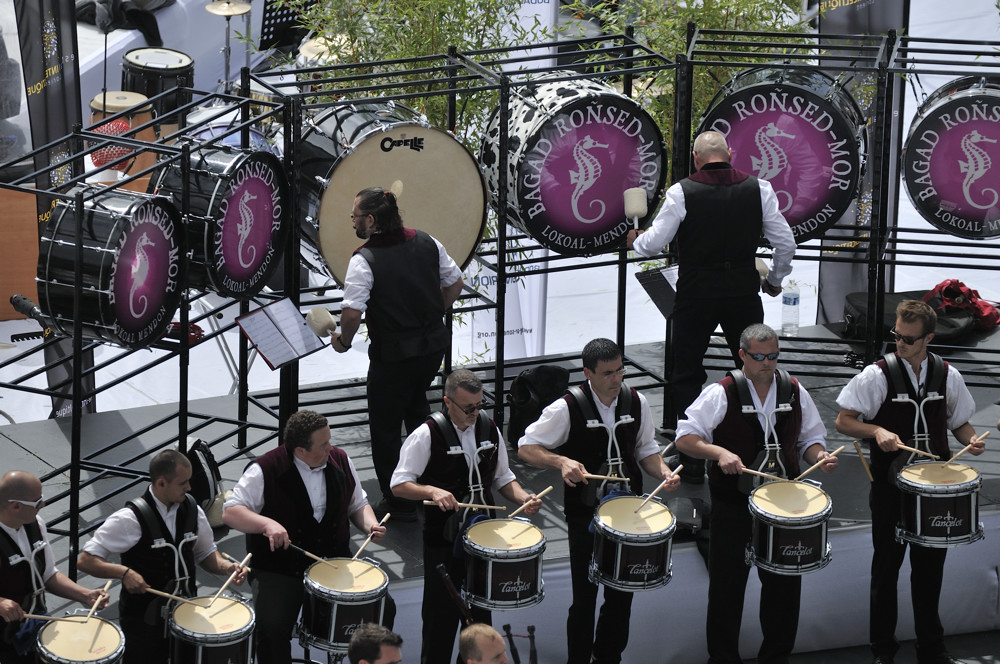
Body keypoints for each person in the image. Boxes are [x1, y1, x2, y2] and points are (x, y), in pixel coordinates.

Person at [626, 130, 796, 483]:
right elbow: (785, 242)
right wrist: (776, 280)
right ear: (730, 153)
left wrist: (636, 242)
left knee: (685, 372)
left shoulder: (681, 191)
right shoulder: (759, 188)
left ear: (695, 157)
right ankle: (757, 444)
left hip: (696, 292)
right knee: (754, 368)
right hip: (741, 292)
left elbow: (654, 244)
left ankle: (691, 461)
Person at [675, 323, 837, 664]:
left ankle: (776, 658)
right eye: (760, 357)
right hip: (733, 504)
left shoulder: (792, 389)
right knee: (726, 591)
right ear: (742, 355)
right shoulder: (722, 392)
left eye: (774, 356)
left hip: (784, 509)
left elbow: (810, 438)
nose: (768, 363)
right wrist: (719, 453)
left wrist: (819, 456)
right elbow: (686, 437)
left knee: (784, 590)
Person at [835, 300, 986, 664]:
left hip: (934, 489)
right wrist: (876, 430)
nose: (900, 343)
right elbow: (843, 421)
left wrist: (971, 441)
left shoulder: (947, 374)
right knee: (886, 570)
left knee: (930, 570)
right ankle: (883, 652)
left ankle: (931, 648)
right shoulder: (876, 375)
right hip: (891, 486)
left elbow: (959, 422)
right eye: (896, 336)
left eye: (908, 339)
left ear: (928, 338)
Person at [517, 338, 680, 664]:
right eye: (607, 373)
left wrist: (663, 471)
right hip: (585, 512)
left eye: (619, 370)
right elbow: (526, 446)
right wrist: (561, 462)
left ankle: (608, 659)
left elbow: (646, 449)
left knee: (622, 596)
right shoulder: (567, 407)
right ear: (587, 373)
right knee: (585, 597)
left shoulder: (637, 402)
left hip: (629, 511)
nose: (616, 379)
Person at [331, 186, 465, 522]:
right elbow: (455, 281)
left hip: (393, 356)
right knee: (417, 408)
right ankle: (427, 481)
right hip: (432, 347)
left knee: (386, 426)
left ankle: (399, 499)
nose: (353, 223)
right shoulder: (426, 241)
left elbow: (351, 314)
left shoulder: (364, 260)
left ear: (371, 219)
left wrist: (343, 341)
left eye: (355, 216)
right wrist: (434, 313)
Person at [391, 369, 541, 664]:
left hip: (484, 539)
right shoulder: (426, 434)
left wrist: (522, 496)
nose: (475, 412)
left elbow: (502, 476)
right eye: (468, 408)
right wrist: (432, 491)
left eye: (479, 405)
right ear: (447, 402)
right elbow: (399, 484)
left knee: (480, 624)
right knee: (440, 622)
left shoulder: (488, 427)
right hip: (443, 540)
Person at [223, 409, 395, 664]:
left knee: (383, 609)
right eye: (323, 444)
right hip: (280, 569)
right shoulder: (264, 469)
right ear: (300, 451)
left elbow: (357, 504)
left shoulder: (340, 459)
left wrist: (370, 524)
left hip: (333, 561)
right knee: (271, 628)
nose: (330, 447)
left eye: (329, 440)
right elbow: (231, 512)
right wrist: (267, 524)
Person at [77, 449, 247, 664]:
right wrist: (124, 572)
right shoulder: (129, 519)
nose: (189, 487)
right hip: (144, 622)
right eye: (183, 482)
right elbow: (86, 560)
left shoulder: (192, 510)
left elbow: (205, 553)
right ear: (161, 483)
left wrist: (226, 567)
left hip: (187, 616)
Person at [0, 470, 110, 664]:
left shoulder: (35, 524)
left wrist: (85, 594)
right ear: (16, 506)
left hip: (33, 622)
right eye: (37, 502)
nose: (43, 504)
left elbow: (48, 575)